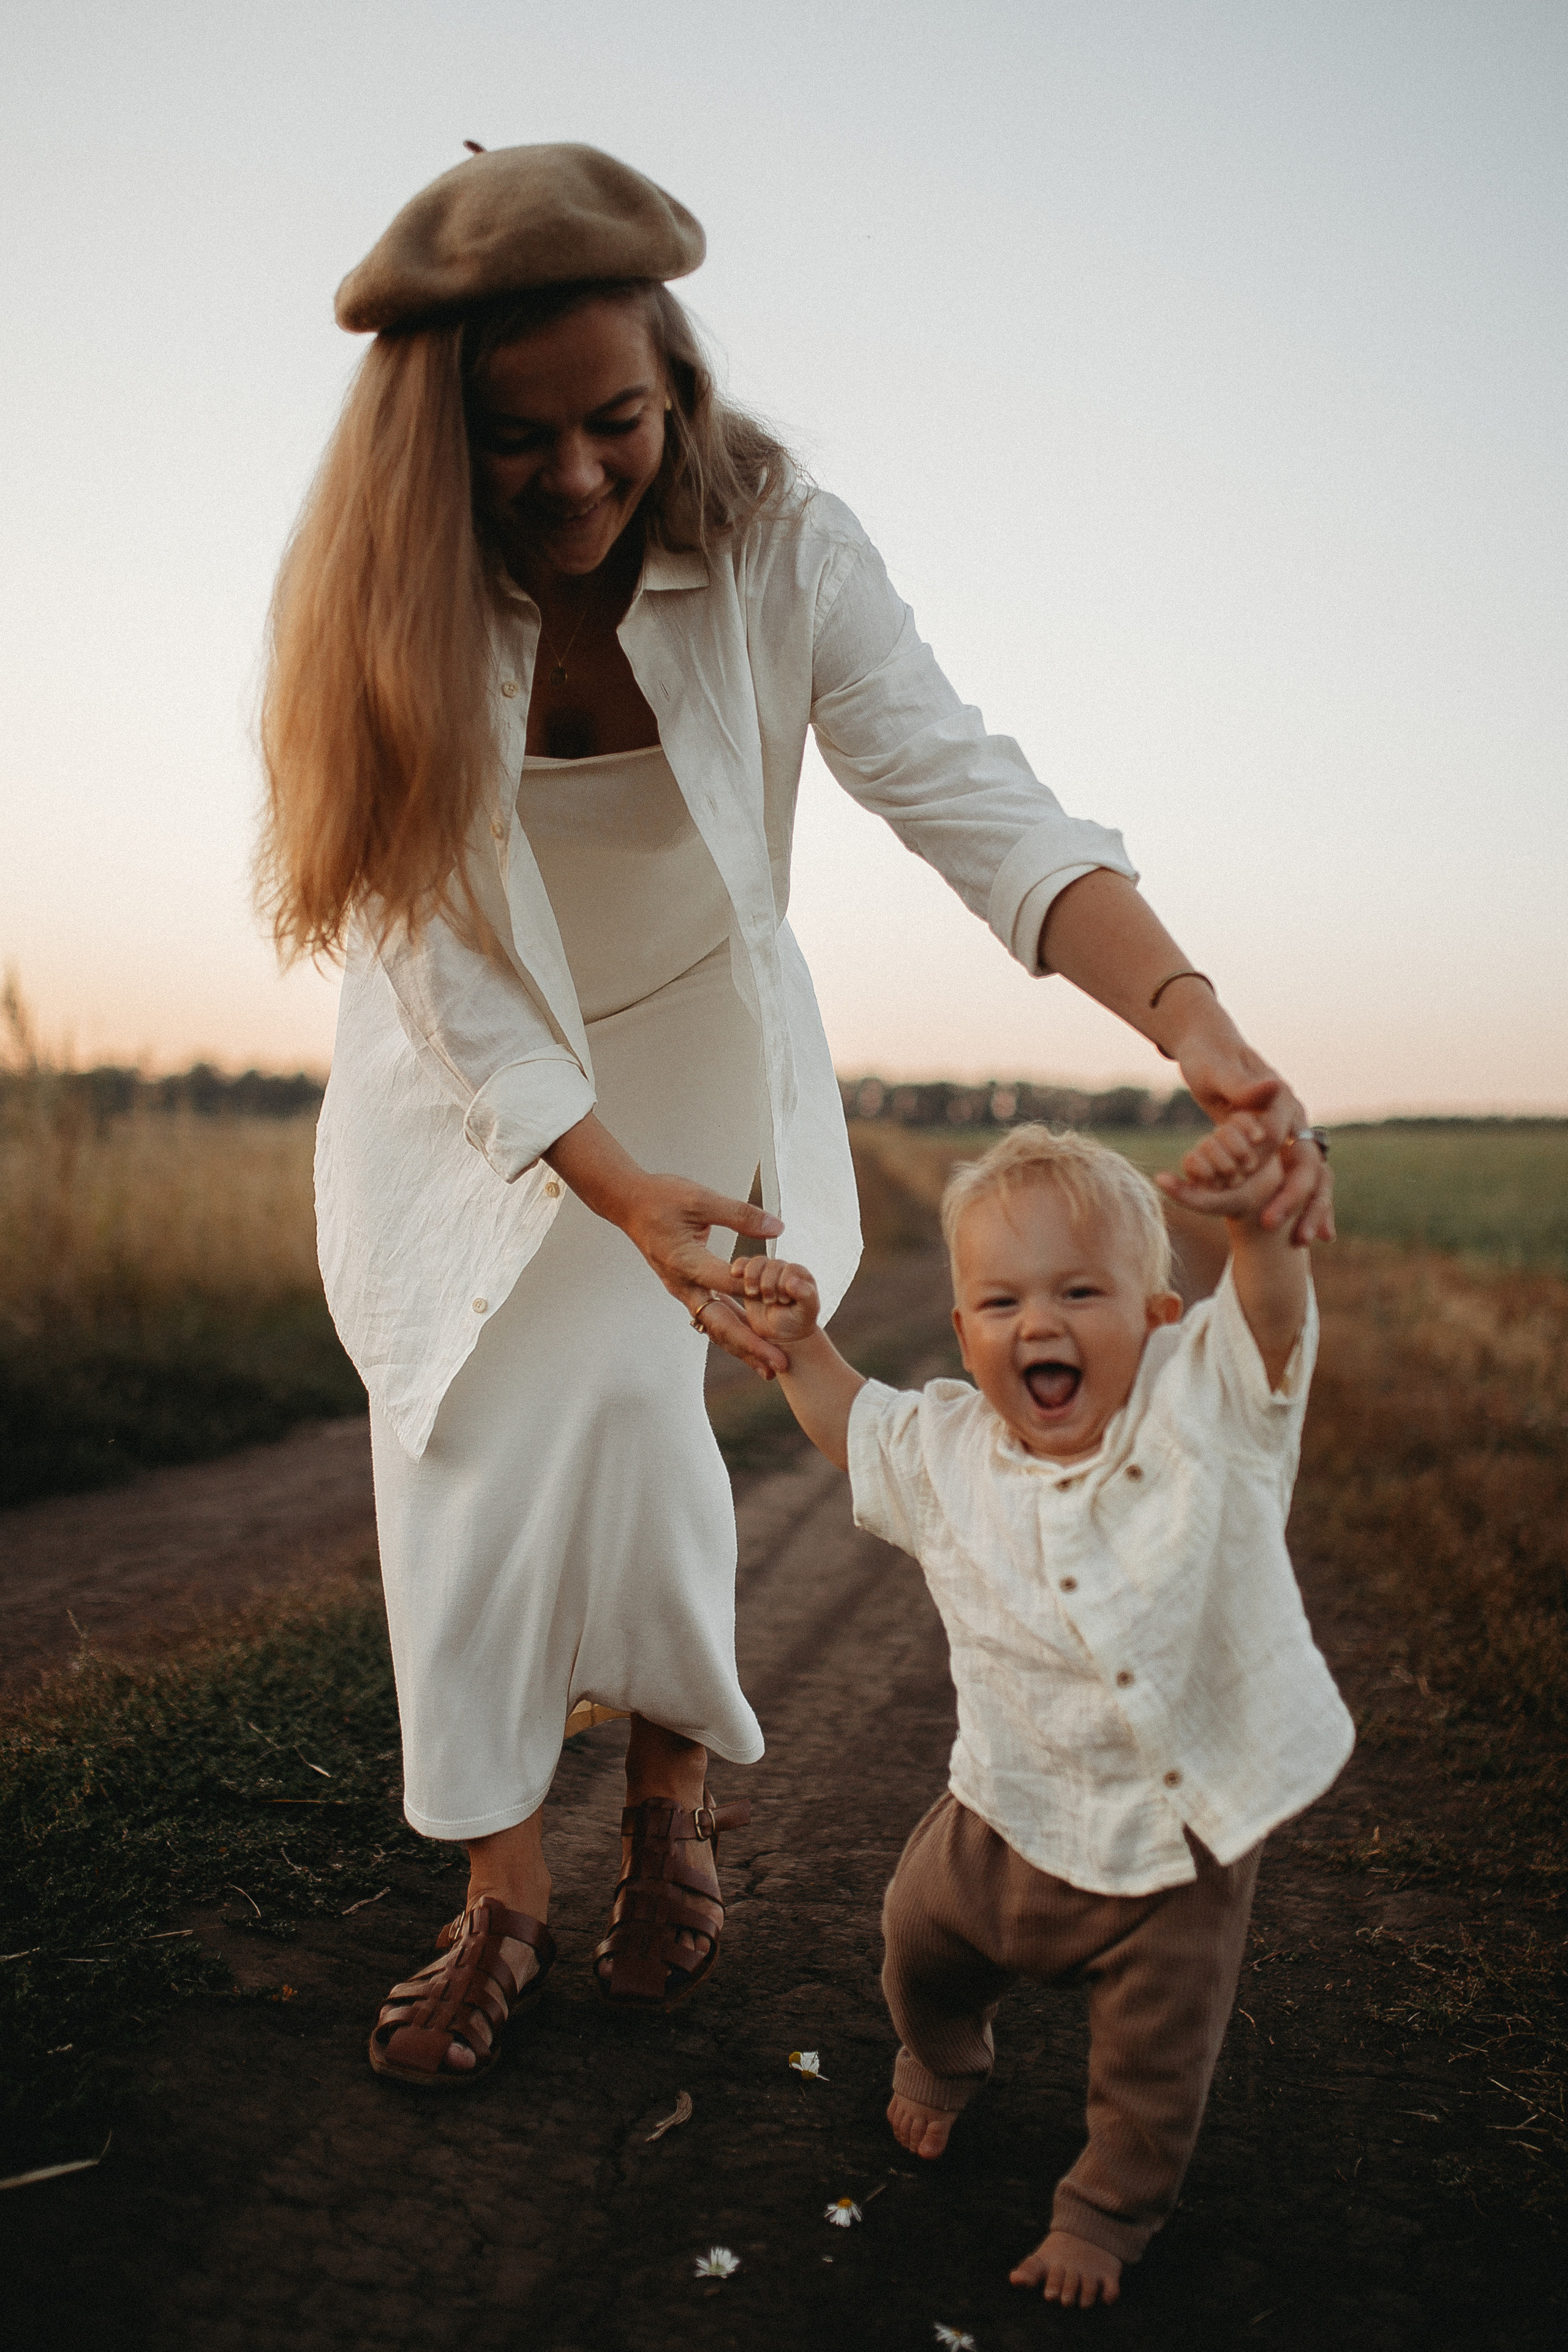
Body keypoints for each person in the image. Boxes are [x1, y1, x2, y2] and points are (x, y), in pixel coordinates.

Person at [256, 140, 1334, 2087]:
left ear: (676, 383)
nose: (579, 477)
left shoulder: (780, 542)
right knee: (481, 1440)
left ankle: (670, 1799)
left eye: (619, 420)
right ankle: (497, 1887)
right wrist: (599, 1183)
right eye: (519, 441)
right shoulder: (374, 603)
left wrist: (1199, 1024)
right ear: (436, 449)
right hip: (476, 1075)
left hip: (688, 1032)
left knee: (657, 1391)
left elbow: (972, 796)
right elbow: (436, 957)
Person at [729, 1124, 1354, 2306]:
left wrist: (1261, 1227)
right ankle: (942, 2054)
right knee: (917, 1937)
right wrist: (799, 1345)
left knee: (1153, 2065)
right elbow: (849, 1417)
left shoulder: (1209, 1426)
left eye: (1080, 1291)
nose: (1037, 1323)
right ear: (965, 1335)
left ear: (1162, 1322)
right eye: (1002, 1301)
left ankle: (1109, 2213)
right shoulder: (951, 1450)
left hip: (1175, 1846)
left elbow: (1268, 1328)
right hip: (1003, 1811)